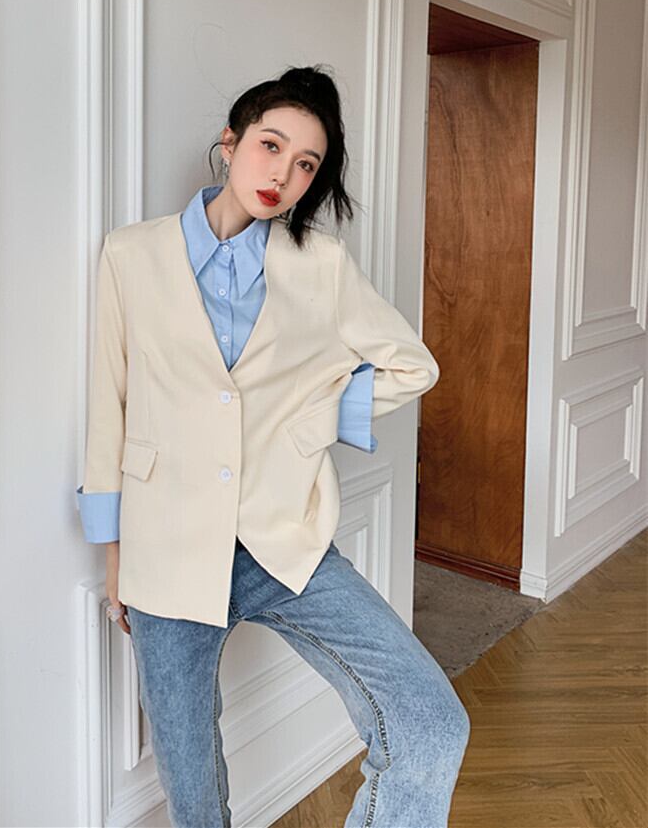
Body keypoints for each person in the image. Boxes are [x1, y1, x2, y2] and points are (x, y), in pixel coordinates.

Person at [76, 64, 470, 828]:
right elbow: (108, 406)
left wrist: (313, 419)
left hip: (282, 539)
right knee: (196, 798)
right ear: (230, 143)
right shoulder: (133, 254)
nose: (283, 174)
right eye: (271, 145)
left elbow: (411, 365)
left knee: (429, 718)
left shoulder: (320, 264)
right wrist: (115, 557)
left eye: (306, 164)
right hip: (164, 549)